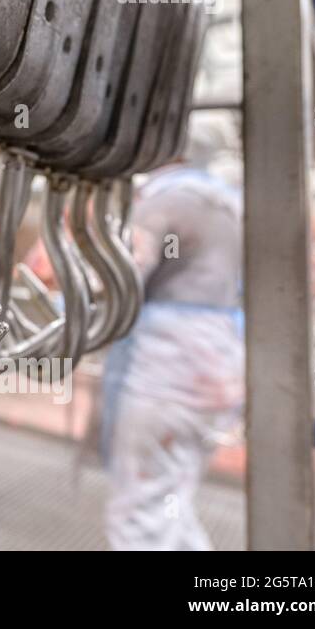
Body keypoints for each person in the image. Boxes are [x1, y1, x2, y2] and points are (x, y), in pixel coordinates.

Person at [101, 118, 244, 550]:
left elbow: (123, 280)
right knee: (172, 498)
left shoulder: (165, 202)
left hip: (168, 374)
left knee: (139, 512)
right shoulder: (231, 205)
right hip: (220, 371)